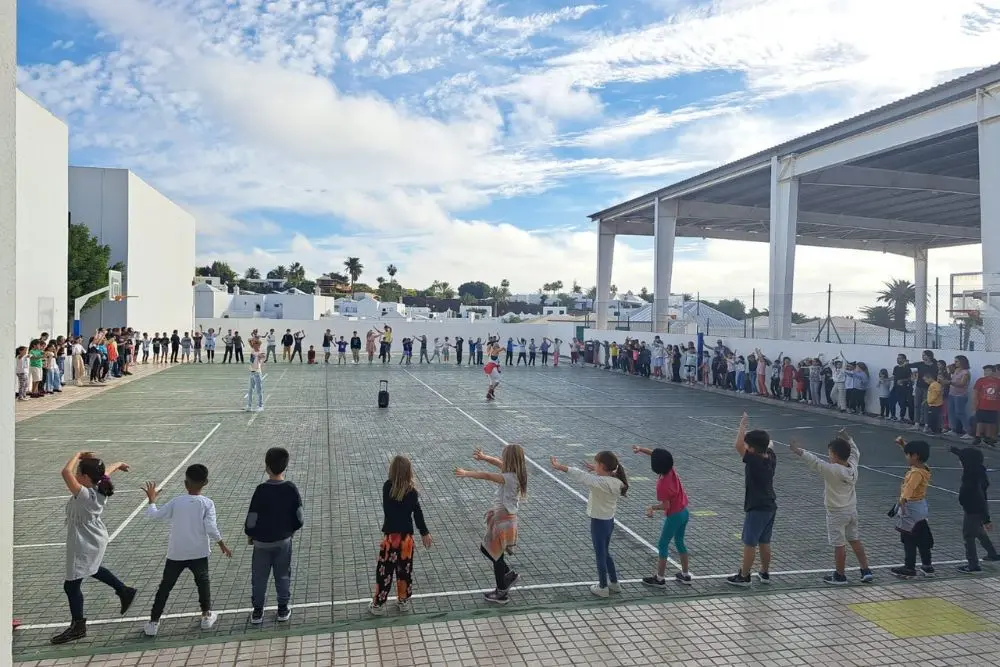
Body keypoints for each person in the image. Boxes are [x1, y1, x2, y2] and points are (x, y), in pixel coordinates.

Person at [51, 452, 137, 644]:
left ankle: (78, 627)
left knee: (71, 585)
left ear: (86, 478)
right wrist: (119, 462)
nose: (76, 475)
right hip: (93, 537)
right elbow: (106, 471)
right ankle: (124, 590)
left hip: (83, 542)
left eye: (79, 473)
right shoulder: (99, 486)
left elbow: (65, 472)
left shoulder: (85, 495)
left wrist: (78, 455)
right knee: (93, 569)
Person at [141, 465, 231, 636]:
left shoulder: (177, 501)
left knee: (165, 587)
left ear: (185, 483)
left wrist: (151, 500)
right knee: (203, 583)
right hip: (199, 552)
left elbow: (155, 515)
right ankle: (206, 616)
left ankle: (153, 623)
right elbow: (210, 527)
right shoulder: (207, 503)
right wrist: (221, 544)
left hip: (176, 553)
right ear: (205, 482)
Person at [789, 430, 873, 585]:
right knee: (855, 539)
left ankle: (840, 575)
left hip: (836, 513)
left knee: (839, 544)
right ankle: (866, 570)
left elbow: (814, 461)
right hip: (851, 510)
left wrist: (797, 451)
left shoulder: (831, 470)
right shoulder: (853, 466)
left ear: (834, 454)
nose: (828, 456)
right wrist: (848, 437)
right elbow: (855, 451)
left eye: (830, 453)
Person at [455, 445, 527, 605]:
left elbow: (487, 475)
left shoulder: (509, 477)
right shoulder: (516, 472)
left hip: (503, 521)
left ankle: (501, 592)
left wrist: (467, 473)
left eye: (504, 457)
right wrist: (484, 457)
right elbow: (497, 463)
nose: (501, 459)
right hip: (504, 519)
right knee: (489, 550)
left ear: (510, 460)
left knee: (495, 554)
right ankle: (509, 575)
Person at [550, 452, 628, 597]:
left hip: (598, 522)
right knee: (605, 552)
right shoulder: (616, 481)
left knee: (600, 554)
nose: (594, 465)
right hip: (609, 521)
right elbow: (602, 476)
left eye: (596, 463)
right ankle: (615, 583)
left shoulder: (600, 482)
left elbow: (581, 475)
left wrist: (560, 467)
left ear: (603, 466)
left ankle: (603, 587)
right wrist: (597, 470)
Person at [245, 447, 304, 624]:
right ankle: (282, 609)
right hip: (284, 541)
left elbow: (251, 520)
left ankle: (257, 612)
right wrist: (290, 530)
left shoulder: (261, 490)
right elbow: (299, 517)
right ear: (285, 467)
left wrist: (251, 534)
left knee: (259, 576)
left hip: (261, 543)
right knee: (283, 574)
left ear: (267, 467)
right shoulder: (291, 489)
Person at [369, 456, 433, 616]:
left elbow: (388, 512)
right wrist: (424, 532)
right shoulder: (412, 492)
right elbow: (417, 513)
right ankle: (403, 600)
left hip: (391, 537)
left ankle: (378, 604)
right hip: (406, 539)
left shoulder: (387, 487)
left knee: (384, 570)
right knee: (404, 569)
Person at [728, 413, 776, 588]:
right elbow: (768, 444)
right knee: (765, 541)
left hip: (756, 507)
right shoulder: (770, 457)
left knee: (750, 543)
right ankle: (764, 572)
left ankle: (744, 575)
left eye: (749, 446)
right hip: (770, 505)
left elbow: (738, 445)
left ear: (753, 450)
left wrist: (742, 425)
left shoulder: (754, 461)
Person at [634, 447, 693, 586]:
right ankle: (685, 574)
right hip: (684, 512)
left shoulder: (662, 484)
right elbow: (656, 455)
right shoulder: (671, 471)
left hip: (674, 516)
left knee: (663, 544)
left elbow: (665, 505)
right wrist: (641, 449)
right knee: (679, 541)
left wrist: (651, 507)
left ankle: (659, 578)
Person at [950, 446, 1000, 573]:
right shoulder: (977, 471)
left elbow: (980, 498)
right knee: (979, 532)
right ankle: (992, 554)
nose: (959, 462)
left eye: (961, 460)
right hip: (975, 509)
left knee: (968, 535)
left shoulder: (971, 478)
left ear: (966, 462)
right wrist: (955, 450)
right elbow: (968, 455)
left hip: (973, 510)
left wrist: (986, 518)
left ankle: (973, 565)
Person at [890, 437, 935, 578]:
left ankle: (909, 567)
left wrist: (902, 502)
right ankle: (927, 566)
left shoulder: (915, 473)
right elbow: (915, 453)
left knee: (908, 537)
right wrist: (904, 444)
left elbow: (909, 488)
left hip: (911, 507)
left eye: (908, 454)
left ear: (915, 456)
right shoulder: (924, 469)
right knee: (922, 537)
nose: (906, 457)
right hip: (921, 507)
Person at [971, 365, 999, 447]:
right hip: (982, 405)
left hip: (994, 406)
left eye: (988, 370)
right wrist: (974, 404)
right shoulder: (980, 381)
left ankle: (988, 437)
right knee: (980, 421)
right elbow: (975, 393)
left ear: (993, 372)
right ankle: (977, 437)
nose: (986, 372)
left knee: (991, 422)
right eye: (985, 371)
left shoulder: (998, 381)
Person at [949, 355, 972, 439]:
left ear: (962, 362)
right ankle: (953, 429)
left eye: (956, 361)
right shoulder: (956, 370)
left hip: (960, 395)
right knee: (951, 412)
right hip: (952, 393)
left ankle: (968, 431)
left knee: (960, 413)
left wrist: (949, 382)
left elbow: (962, 384)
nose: (955, 363)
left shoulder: (965, 372)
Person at [247, 336, 265, 412]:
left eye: (255, 344)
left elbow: (263, 356)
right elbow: (249, 340)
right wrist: (254, 337)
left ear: (258, 345)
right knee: (250, 390)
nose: (253, 344)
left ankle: (260, 406)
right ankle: (249, 406)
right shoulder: (252, 350)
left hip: (257, 373)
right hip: (251, 373)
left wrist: (260, 356)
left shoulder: (260, 353)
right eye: (253, 344)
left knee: (259, 390)